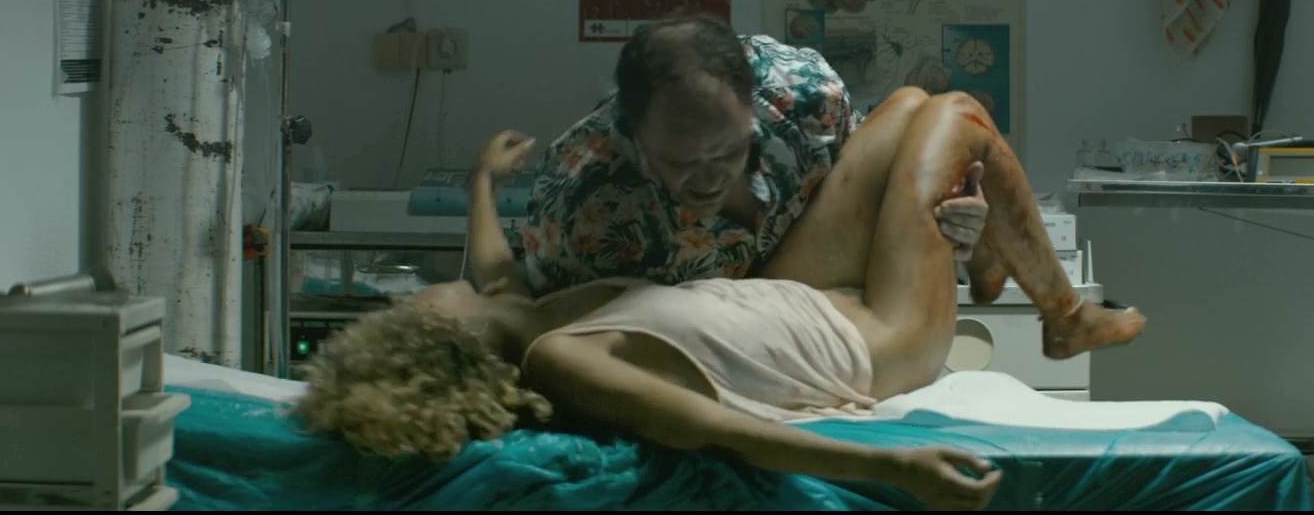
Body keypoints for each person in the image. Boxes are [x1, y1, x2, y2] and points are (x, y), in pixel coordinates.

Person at [295, 91, 1148, 511]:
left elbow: (488, 270)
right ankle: (1064, 319)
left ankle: (987, 252)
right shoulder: (558, 358)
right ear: (447, 345)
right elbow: (714, 430)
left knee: (904, 108)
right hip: (877, 339)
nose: (416, 298)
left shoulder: (526, 309)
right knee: (957, 115)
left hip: (793, 292)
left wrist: (482, 180)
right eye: (412, 315)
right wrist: (893, 468)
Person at [490, 13, 990, 298]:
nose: (711, 178)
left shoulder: (806, 98)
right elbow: (530, 323)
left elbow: (875, 189)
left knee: (915, 111)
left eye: (730, 150)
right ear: (637, 139)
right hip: (696, 337)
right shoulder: (584, 209)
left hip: (812, 293)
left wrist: (949, 216)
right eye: (682, 163)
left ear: (753, 105)